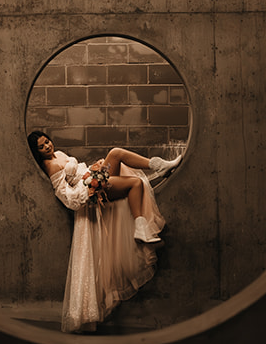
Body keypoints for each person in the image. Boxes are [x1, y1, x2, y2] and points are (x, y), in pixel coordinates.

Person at [27, 131, 184, 333]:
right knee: (132, 179)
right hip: (92, 193)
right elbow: (67, 197)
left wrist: (94, 170)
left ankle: (158, 169)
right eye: (42, 147)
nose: (47, 147)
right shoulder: (49, 166)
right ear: (37, 152)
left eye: (47, 142)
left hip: (95, 180)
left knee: (117, 154)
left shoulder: (59, 154)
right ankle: (142, 223)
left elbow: (78, 172)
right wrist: (88, 185)